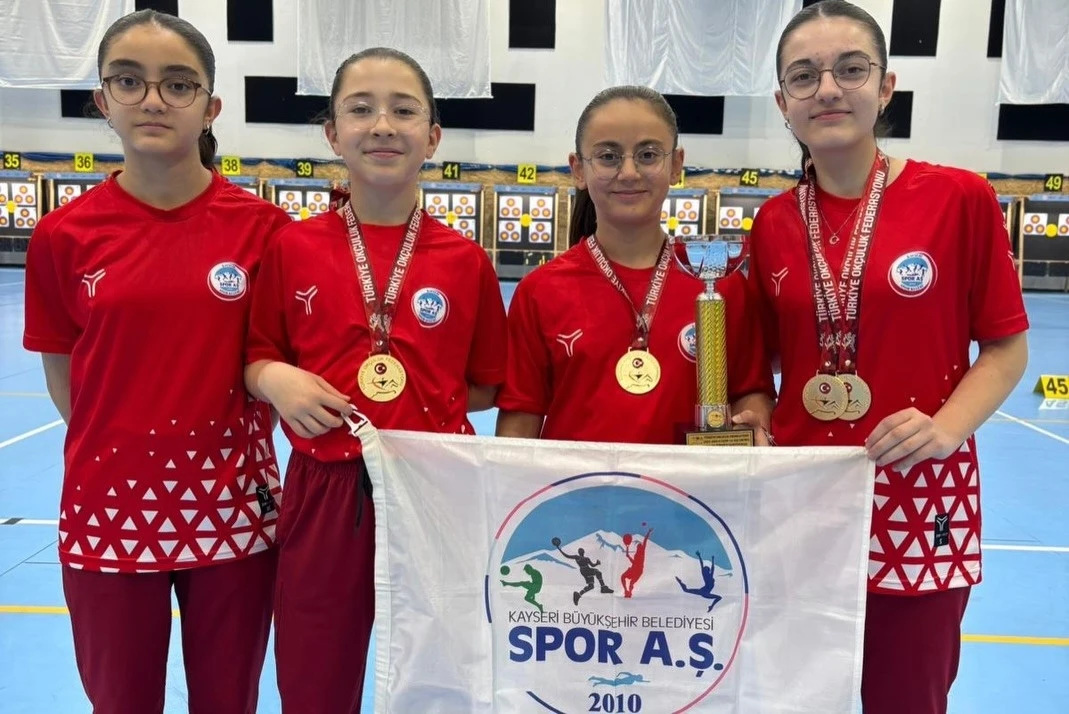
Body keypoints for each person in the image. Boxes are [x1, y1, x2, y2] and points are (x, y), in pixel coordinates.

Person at [748, 3, 1029, 712]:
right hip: (802, 496)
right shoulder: (772, 222)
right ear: (782, 103)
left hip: (919, 488)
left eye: (850, 69)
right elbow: (761, 363)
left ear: (885, 87)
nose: (828, 89)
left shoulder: (959, 198)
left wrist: (947, 427)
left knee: (907, 697)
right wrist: (749, 410)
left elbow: (1005, 345)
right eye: (804, 76)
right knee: (794, 696)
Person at [22, 9, 289, 713]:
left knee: (227, 700)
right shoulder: (62, 235)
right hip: (107, 504)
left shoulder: (266, 232)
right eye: (128, 81)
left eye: (177, 84)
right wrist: (126, 450)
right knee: (120, 700)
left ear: (210, 107)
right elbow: (63, 373)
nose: (152, 100)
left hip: (235, 504)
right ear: (102, 100)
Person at [244, 47, 508, 712]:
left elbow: (485, 384)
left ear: (433, 136)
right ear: (332, 134)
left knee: (440, 676)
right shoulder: (292, 247)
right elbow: (257, 356)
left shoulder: (466, 261)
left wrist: (423, 405)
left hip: (434, 488)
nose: (383, 124)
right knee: (314, 674)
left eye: (403, 110)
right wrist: (274, 377)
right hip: (324, 486)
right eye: (360, 109)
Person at [495, 85, 774, 445]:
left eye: (648, 155)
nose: (628, 172)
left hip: (688, 484)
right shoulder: (540, 291)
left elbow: (751, 393)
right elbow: (519, 425)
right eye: (608, 156)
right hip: (577, 485)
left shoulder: (721, 283)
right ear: (578, 169)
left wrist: (752, 426)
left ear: (676, 165)